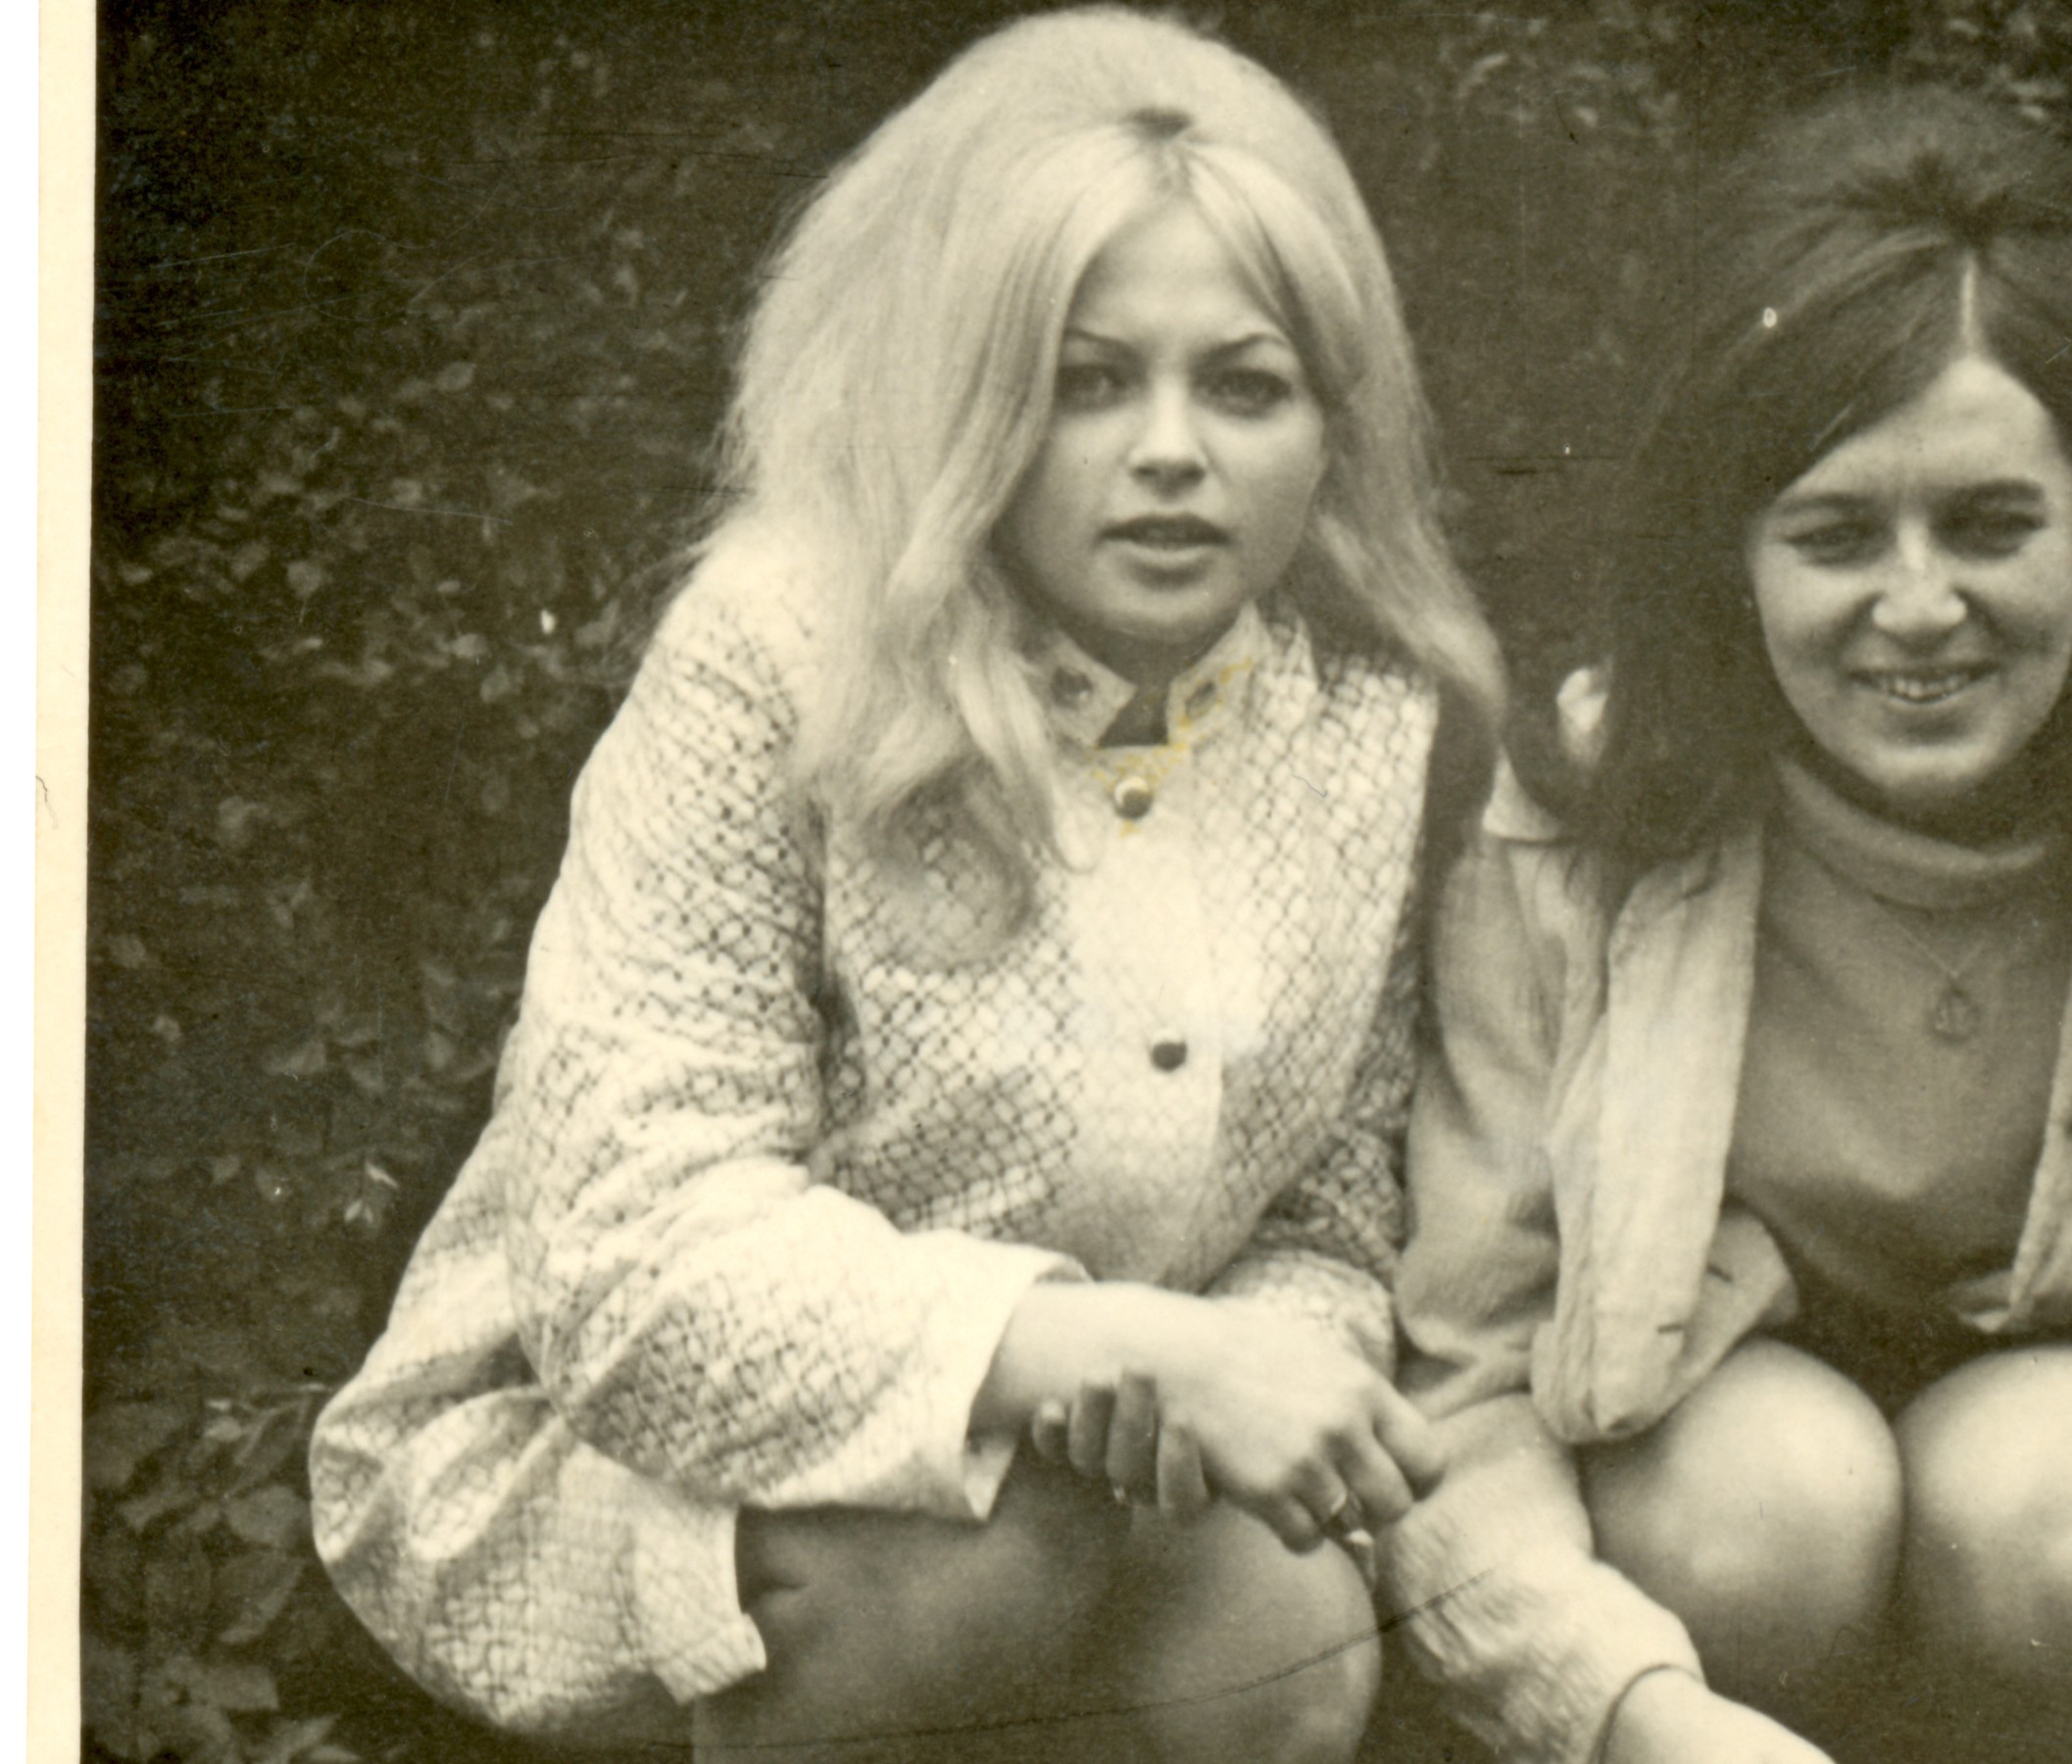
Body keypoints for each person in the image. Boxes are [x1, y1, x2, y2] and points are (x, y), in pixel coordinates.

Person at [309, 12, 1503, 1762]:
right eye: (1089, 382)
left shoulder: (1361, 720)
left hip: (1102, 1472)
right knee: (969, 1569)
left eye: (1244, 384)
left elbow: (1324, 1212)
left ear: (1333, 425)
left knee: (1291, 1622)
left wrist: (1213, 1384)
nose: (1172, 450)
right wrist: (1094, 1353)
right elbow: (633, 1276)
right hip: (616, 1449)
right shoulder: (778, 656)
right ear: (977, 403)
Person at [1375, 87, 2072, 1764]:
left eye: (1989, 525)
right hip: (1709, 1477)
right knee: (1761, 1516)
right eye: (1832, 535)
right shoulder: (1580, 821)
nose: (1916, 610)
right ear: (1727, 555)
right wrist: (1620, 1709)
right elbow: (1471, 1365)